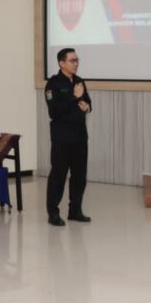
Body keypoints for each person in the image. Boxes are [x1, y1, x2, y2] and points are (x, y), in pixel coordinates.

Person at [45, 48, 92, 226]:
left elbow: (87, 101)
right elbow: (54, 111)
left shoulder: (79, 81)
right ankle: (53, 213)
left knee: (80, 176)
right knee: (58, 176)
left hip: (80, 137)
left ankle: (75, 211)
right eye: (72, 60)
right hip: (62, 138)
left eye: (77, 60)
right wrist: (74, 97)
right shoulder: (53, 84)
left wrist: (87, 107)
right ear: (61, 63)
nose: (76, 63)